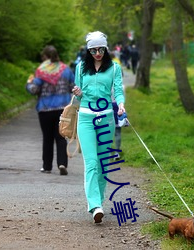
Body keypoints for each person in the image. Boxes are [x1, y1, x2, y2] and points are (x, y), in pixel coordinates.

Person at [72, 31, 125, 223]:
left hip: (106, 119)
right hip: (85, 118)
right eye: (93, 50)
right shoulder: (80, 68)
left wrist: (121, 104)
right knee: (92, 163)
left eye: (101, 49)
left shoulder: (114, 68)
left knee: (103, 165)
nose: (97, 53)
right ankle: (94, 205)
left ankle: (99, 201)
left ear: (106, 48)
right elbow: (78, 97)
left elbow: (118, 90)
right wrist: (77, 92)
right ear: (88, 50)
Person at [26, 45, 75, 175]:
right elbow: (73, 87)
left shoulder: (41, 71)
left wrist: (29, 83)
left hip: (45, 109)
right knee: (61, 137)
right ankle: (62, 163)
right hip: (62, 109)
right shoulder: (66, 69)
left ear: (45, 57)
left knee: (47, 138)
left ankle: (47, 166)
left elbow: (34, 90)